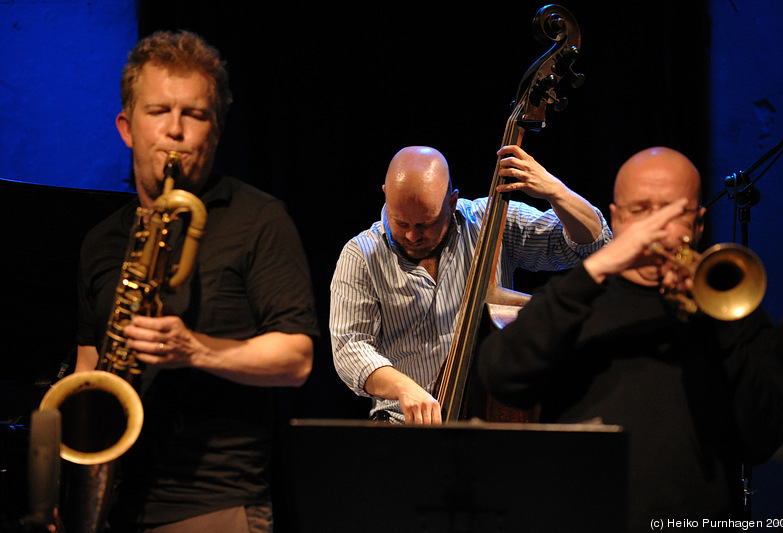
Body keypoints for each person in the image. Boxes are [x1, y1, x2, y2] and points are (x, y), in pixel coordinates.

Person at [73, 31, 318, 532]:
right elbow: (87, 368)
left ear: (216, 130)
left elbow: (297, 358)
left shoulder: (260, 220)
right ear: (127, 127)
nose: (175, 131)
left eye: (195, 114)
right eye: (159, 111)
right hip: (110, 504)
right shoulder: (100, 240)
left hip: (214, 504)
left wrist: (195, 349)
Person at [477, 146, 783, 530]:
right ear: (616, 218)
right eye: (641, 211)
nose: (656, 228)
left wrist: (720, 320)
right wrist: (595, 267)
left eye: (673, 211)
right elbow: (500, 375)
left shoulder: (732, 305)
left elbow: (762, 438)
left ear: (697, 224)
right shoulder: (574, 300)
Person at [330, 145, 612, 424]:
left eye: (426, 224)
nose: (413, 235)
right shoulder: (361, 256)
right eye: (401, 222)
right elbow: (350, 346)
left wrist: (555, 191)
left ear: (452, 203)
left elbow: (593, 246)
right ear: (385, 196)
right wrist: (404, 387)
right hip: (404, 425)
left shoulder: (490, 222)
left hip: (493, 420)